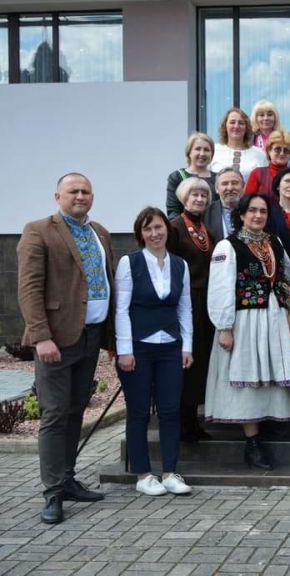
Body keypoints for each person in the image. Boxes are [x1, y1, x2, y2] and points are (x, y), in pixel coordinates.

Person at [17, 173, 112, 524]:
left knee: (75, 410)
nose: (81, 196)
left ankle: (68, 479)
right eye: (73, 191)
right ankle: (53, 492)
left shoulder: (99, 232)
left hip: (91, 335)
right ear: (57, 195)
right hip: (57, 337)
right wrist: (41, 336)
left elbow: (107, 280)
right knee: (55, 413)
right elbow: (29, 288)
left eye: (86, 191)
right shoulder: (38, 230)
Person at [205, 194, 290, 470]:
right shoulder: (228, 246)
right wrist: (224, 326)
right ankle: (252, 442)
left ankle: (266, 425)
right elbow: (220, 287)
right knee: (247, 373)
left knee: (267, 372)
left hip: (274, 317)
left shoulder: (274, 242)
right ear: (241, 214)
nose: (258, 215)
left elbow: (287, 276)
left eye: (263, 211)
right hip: (244, 319)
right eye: (252, 211)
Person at [115, 207, 193, 496]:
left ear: (167, 230)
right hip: (138, 349)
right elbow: (121, 309)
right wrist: (125, 349)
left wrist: (187, 346)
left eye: (158, 227)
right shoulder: (129, 262)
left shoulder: (179, 265)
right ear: (140, 234)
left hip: (171, 347)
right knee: (138, 412)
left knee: (171, 411)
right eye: (148, 229)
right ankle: (143, 474)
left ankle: (170, 472)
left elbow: (185, 307)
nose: (154, 233)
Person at [168, 177, 217, 442]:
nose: (199, 199)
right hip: (185, 301)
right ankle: (179, 421)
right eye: (194, 195)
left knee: (199, 362)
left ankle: (192, 419)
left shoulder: (206, 231)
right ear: (184, 198)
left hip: (205, 302)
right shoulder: (174, 228)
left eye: (203, 195)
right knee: (184, 361)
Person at [166, 132, 217, 218]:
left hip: (214, 230)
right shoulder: (177, 177)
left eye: (207, 150)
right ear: (189, 152)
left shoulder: (218, 179)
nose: (202, 153)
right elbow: (173, 212)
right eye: (198, 149)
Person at [209, 107, 267, 178]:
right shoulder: (213, 150)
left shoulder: (259, 154)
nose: (236, 126)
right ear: (225, 126)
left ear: (246, 127)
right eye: (232, 122)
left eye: (241, 123)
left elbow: (264, 183)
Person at [245, 130, 290, 206]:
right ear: (269, 150)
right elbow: (247, 203)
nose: (282, 153)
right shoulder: (257, 174)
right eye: (277, 149)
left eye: (286, 150)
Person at [205, 168, 244, 241]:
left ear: (243, 187)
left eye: (235, 183)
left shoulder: (252, 210)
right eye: (225, 184)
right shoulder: (205, 213)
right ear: (216, 189)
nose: (230, 188)